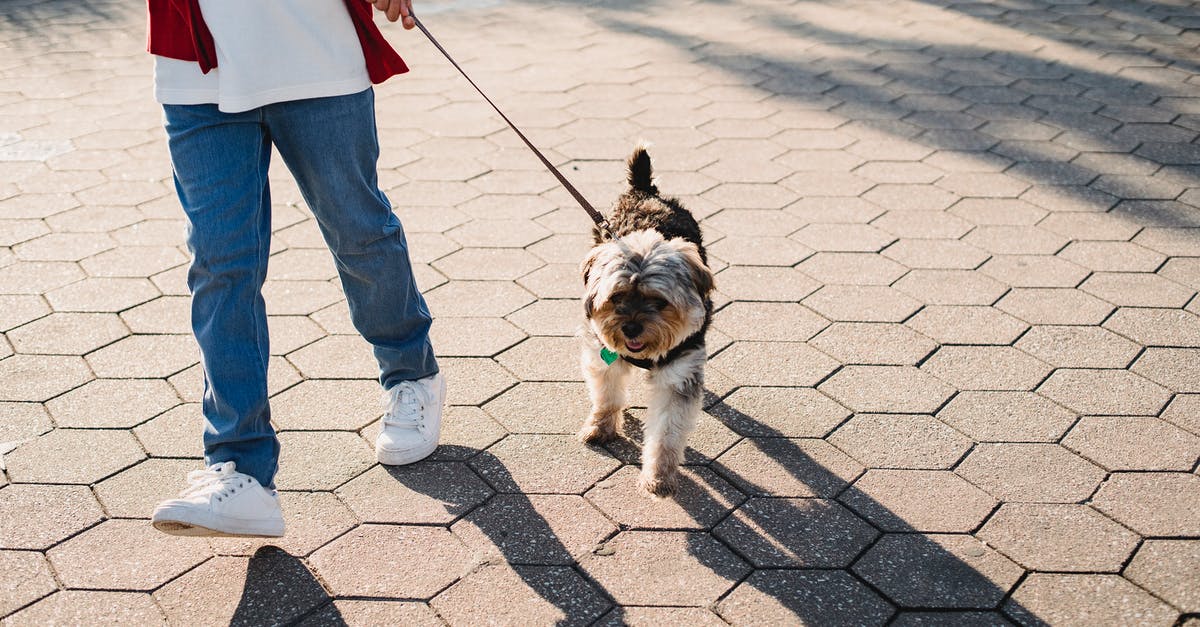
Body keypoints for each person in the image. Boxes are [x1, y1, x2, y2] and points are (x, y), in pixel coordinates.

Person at [145, 0, 443, 538]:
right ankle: (241, 469)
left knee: (358, 232)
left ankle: (411, 374)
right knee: (220, 265)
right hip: (198, 73)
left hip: (316, 55)